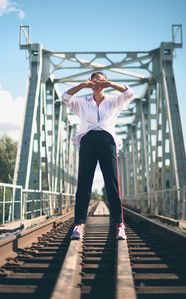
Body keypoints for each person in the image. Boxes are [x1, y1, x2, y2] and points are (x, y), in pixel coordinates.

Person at [62, 72, 134, 240]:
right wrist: (82, 85)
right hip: (88, 141)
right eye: (95, 80)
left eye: (101, 80)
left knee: (112, 184)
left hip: (107, 141)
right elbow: (65, 97)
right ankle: (78, 224)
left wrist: (111, 84)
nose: (98, 83)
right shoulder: (82, 102)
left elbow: (129, 93)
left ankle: (119, 225)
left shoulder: (113, 101)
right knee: (84, 184)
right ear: (90, 82)